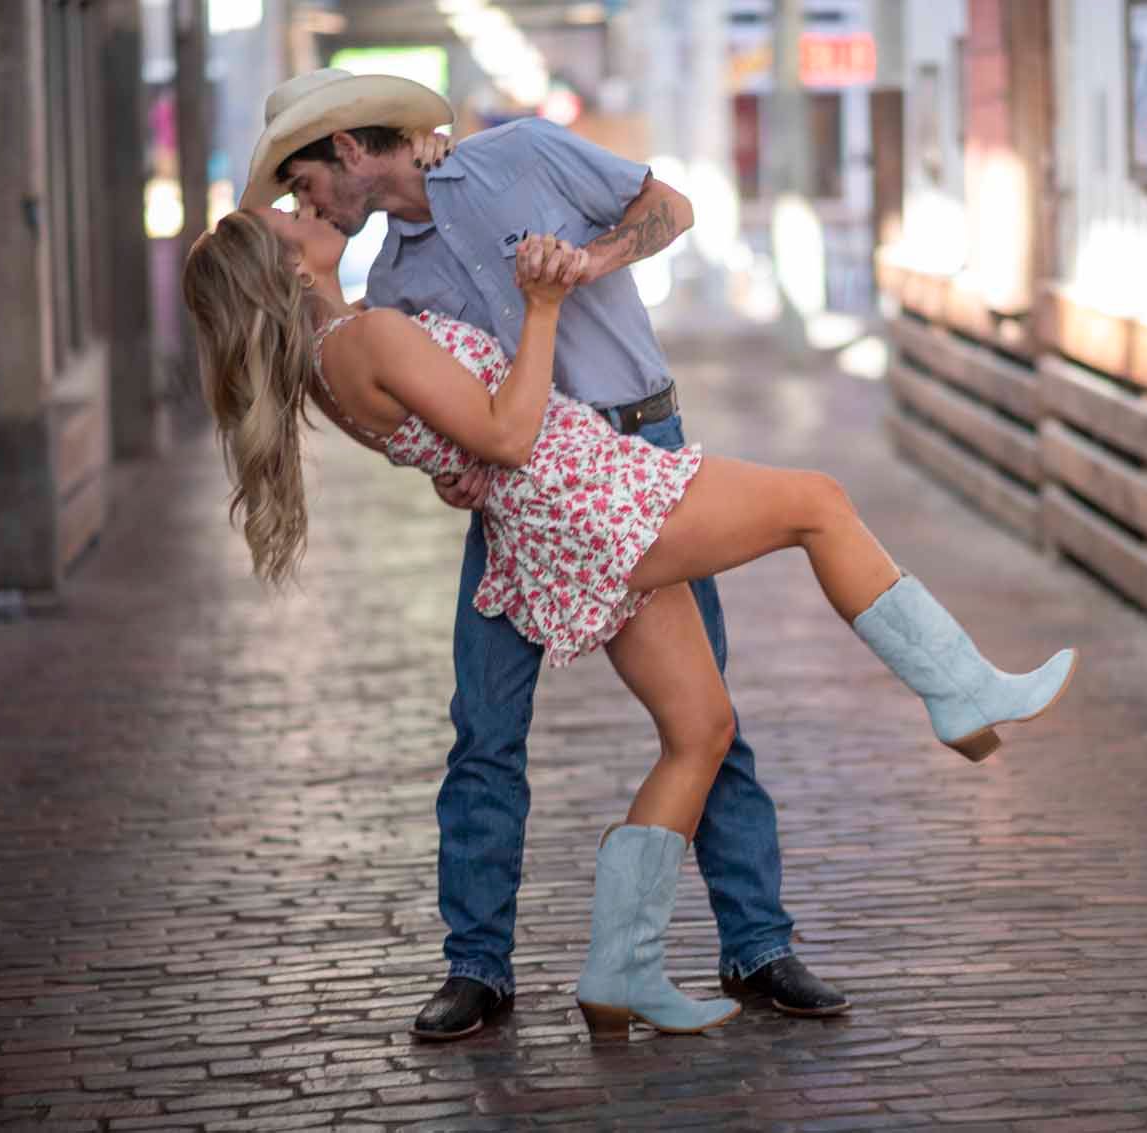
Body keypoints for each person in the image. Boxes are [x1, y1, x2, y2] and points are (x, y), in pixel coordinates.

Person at [182, 202, 1077, 1039]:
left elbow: (463, 445)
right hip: (589, 497)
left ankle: (621, 967)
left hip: (558, 510)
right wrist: (539, 308)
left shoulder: (328, 366)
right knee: (819, 502)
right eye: (288, 216)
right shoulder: (366, 334)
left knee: (703, 729)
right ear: (288, 267)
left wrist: (476, 451)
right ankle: (958, 688)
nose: (307, 211)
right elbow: (506, 434)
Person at [238, 69, 853, 1041]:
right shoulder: (388, 289)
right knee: (484, 730)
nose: (300, 199)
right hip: (517, 502)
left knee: (705, 714)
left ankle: (756, 946)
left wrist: (585, 263)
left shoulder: (518, 154)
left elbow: (670, 206)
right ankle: (475, 967)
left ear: (349, 150)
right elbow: (451, 420)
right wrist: (449, 467)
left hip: (638, 453)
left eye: (302, 176)